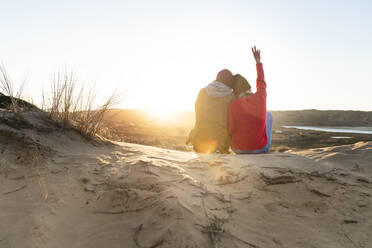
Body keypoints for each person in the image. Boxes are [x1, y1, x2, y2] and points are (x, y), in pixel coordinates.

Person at [228, 46, 273, 154]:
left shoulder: (233, 104)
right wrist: (258, 61)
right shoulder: (260, 96)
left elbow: (231, 130)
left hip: (238, 149)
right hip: (261, 149)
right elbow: (261, 80)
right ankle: (263, 144)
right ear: (249, 88)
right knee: (269, 115)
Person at [187, 69, 236, 153]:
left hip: (199, 140)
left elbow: (198, 113)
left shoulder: (202, 92)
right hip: (220, 144)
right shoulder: (231, 96)